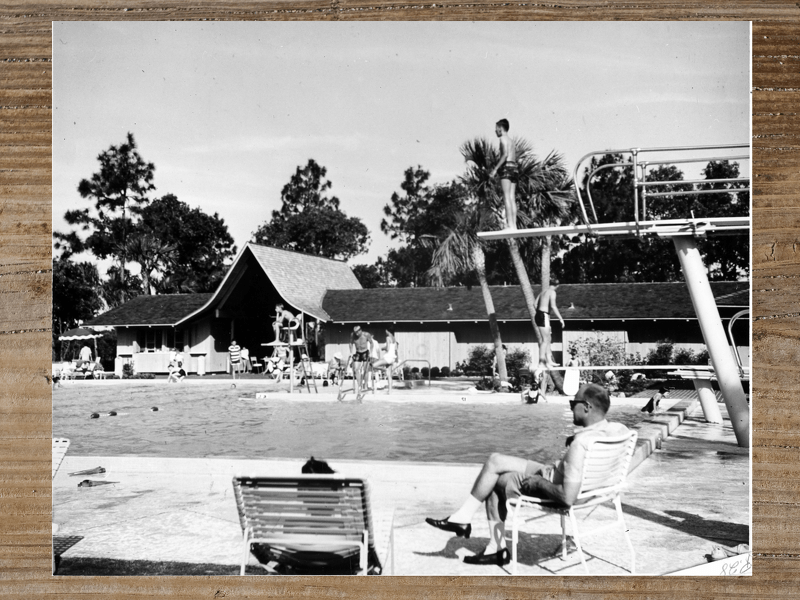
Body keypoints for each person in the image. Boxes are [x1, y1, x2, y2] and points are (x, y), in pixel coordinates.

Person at [425, 383, 629, 566]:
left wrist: (539, 483)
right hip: (587, 486)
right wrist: (575, 439)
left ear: (586, 407)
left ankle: (494, 546)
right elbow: (595, 441)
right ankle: (463, 517)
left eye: (572, 403)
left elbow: (567, 498)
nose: (569, 407)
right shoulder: (619, 430)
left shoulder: (580, 445)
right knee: (495, 460)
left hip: (555, 485)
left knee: (495, 482)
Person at [488, 118, 518, 230]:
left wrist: (495, 169)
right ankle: (514, 225)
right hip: (514, 168)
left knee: (506, 197)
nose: (495, 131)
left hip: (506, 168)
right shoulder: (511, 141)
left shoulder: (502, 139)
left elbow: (505, 154)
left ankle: (510, 225)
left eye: (496, 129)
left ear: (500, 129)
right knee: (512, 197)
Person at [349, 325, 375, 399]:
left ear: (360, 330)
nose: (356, 334)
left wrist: (371, 352)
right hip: (357, 353)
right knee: (356, 369)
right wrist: (351, 352)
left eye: (357, 332)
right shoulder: (352, 335)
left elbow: (371, 343)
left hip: (365, 352)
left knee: (365, 370)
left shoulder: (366, 334)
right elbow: (350, 343)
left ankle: (365, 385)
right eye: (355, 332)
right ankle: (359, 385)